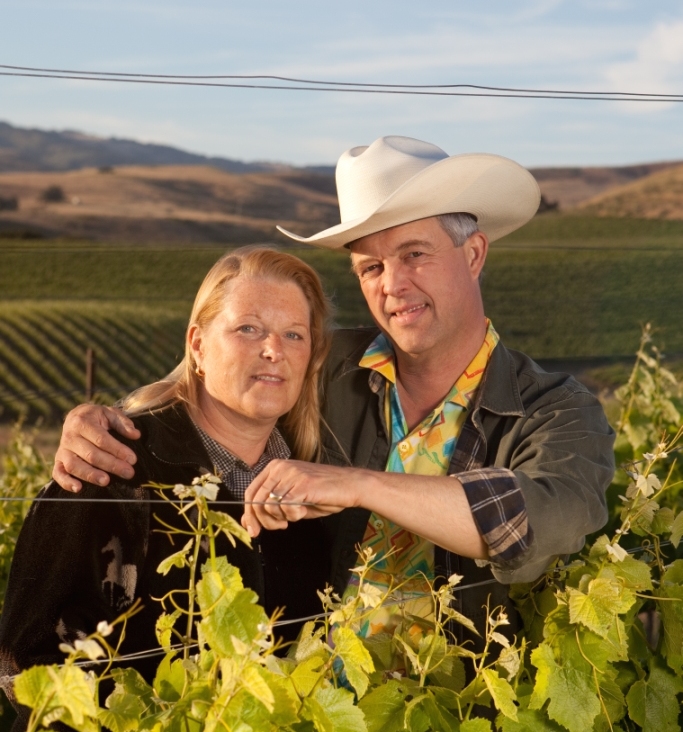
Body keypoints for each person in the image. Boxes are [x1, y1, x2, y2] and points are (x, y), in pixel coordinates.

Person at [50, 136, 615, 643]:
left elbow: (536, 521)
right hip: (310, 702)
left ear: (473, 255)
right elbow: (217, 389)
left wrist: (358, 485)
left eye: (415, 254)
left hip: (458, 706)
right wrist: (107, 420)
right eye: (371, 267)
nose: (393, 285)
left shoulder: (555, 409)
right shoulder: (325, 363)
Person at [0, 246, 333, 719]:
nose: (273, 350)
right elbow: (29, 667)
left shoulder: (312, 497)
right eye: (248, 328)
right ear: (197, 345)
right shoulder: (110, 467)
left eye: (293, 334)